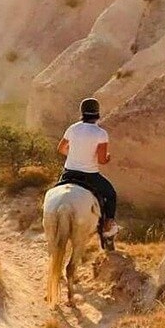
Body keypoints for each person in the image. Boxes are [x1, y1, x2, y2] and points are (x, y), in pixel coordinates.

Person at [57, 98, 119, 238]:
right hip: (90, 175)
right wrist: (107, 157)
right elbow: (102, 160)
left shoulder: (72, 128)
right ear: (97, 113)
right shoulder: (100, 133)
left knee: (55, 190)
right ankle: (108, 226)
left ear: (82, 112)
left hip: (69, 173)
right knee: (111, 194)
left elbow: (61, 148)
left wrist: (73, 155)